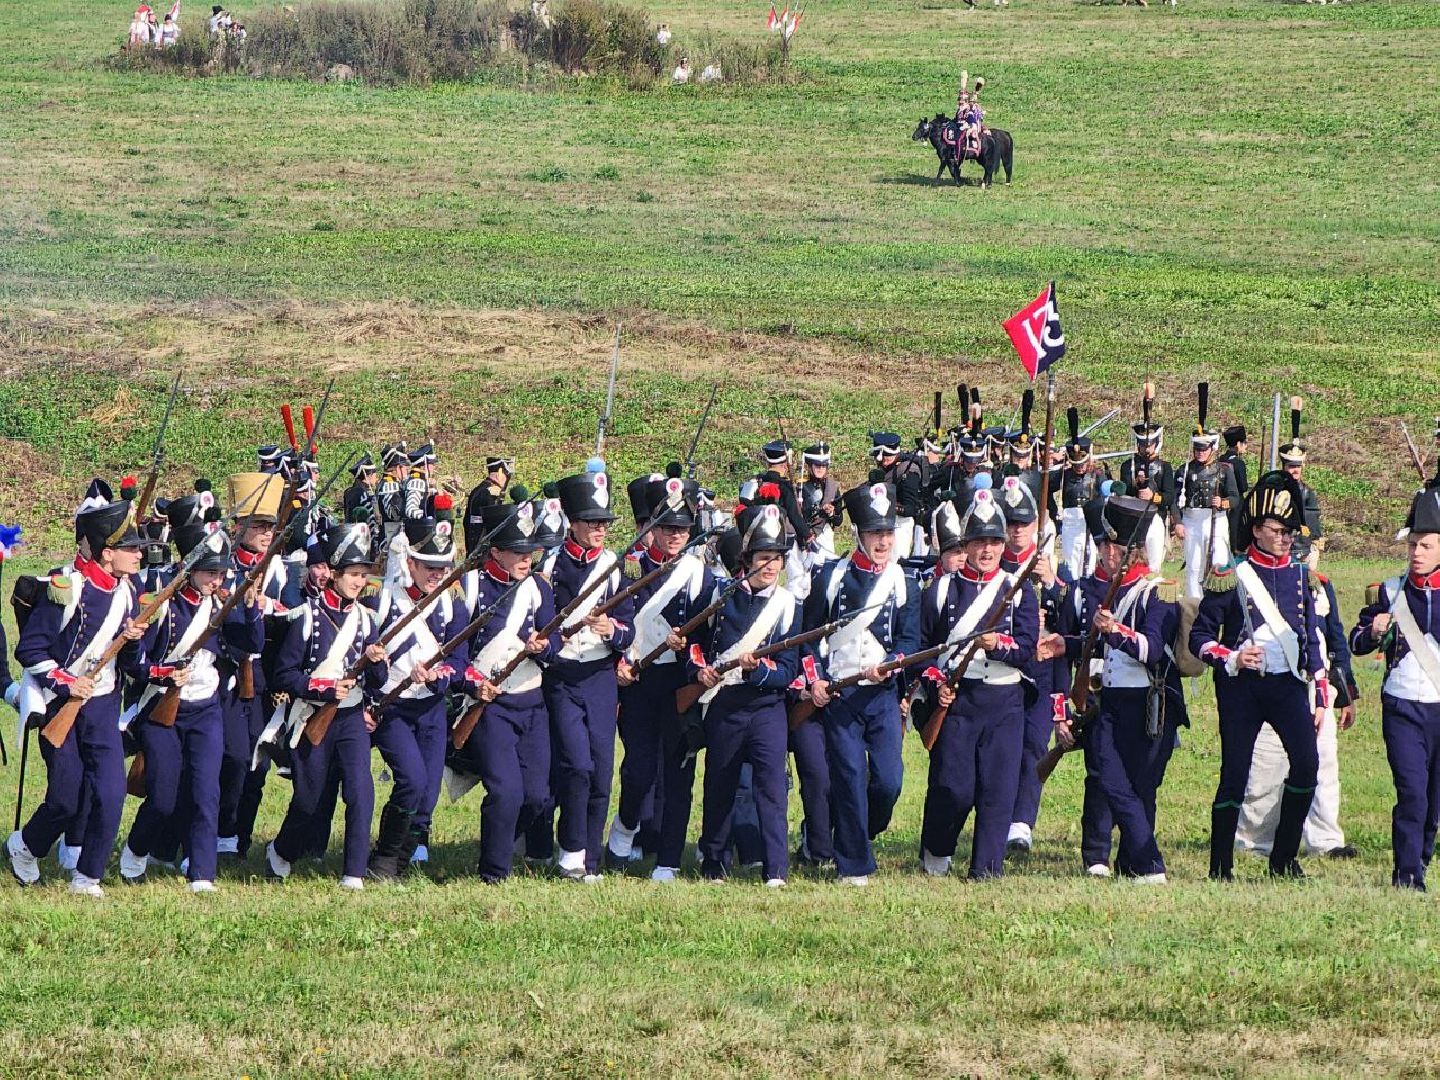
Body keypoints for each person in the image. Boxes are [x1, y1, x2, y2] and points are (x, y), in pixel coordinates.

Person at [8, 480, 147, 896]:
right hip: (59, 703)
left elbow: (131, 666)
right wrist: (68, 683)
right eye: (131, 547)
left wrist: (132, 641)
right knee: (65, 799)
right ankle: (25, 846)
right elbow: (29, 650)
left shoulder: (129, 591)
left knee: (110, 793)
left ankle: (88, 876)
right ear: (107, 552)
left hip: (103, 703)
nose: (140, 553)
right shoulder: (67, 588)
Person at [120, 488, 263, 892]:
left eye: (220, 574)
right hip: (162, 709)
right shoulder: (161, 605)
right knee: (164, 796)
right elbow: (134, 663)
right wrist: (163, 674)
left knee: (206, 792)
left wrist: (251, 607)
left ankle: (202, 874)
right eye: (209, 573)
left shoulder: (220, 607)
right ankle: (136, 848)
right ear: (189, 568)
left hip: (206, 709)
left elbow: (250, 645)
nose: (217, 581)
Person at [1190, 470, 1330, 881]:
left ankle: (1283, 860)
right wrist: (1232, 657)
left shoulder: (1302, 575)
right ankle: (1220, 867)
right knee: (1234, 773)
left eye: (1290, 532)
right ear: (1257, 530)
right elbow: (1199, 637)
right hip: (1241, 689)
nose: (1286, 538)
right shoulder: (1230, 574)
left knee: (1306, 766)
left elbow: (1309, 640)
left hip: (1287, 684)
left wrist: (1321, 695)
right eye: (1278, 530)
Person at [1055, 495, 1186, 882]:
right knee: (1109, 779)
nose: (1106, 553)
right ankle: (1144, 862)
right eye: (1106, 546)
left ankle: (1139, 863)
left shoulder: (1157, 591)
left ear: (1132, 551)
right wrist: (1070, 644)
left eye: (1113, 547)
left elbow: (1149, 650)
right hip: (1111, 702)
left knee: (1141, 787)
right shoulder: (1113, 589)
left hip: (1148, 703)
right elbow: (1100, 649)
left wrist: (1114, 630)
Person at [800, 478, 921, 886]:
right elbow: (807, 637)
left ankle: (856, 833)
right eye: (875, 533)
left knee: (888, 781)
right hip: (840, 695)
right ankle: (853, 863)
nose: (882, 541)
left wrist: (889, 665)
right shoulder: (831, 577)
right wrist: (815, 681)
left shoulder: (904, 582)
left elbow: (910, 639)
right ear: (858, 534)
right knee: (849, 776)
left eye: (887, 532)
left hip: (883, 695)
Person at [916, 480, 1038, 879]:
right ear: (965, 545)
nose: (987, 550)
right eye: (979, 541)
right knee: (953, 787)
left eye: (994, 542)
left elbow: (1026, 651)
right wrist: (938, 683)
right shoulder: (942, 590)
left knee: (998, 791)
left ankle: (986, 867)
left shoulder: (1018, 591)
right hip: (960, 698)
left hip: (1004, 699)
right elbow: (925, 650)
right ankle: (936, 852)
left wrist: (997, 644)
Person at [266, 523, 388, 889]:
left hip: (351, 716)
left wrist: (377, 661)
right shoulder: (307, 617)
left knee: (361, 793)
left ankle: (353, 874)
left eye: (363, 574)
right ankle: (282, 850)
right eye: (352, 574)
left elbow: (378, 682)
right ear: (332, 574)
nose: (358, 581)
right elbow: (283, 675)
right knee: (310, 800)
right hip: (313, 716)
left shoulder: (368, 620)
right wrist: (323, 686)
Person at [607, 475, 714, 880]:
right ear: (652, 527)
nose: (675, 536)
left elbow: (706, 637)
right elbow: (614, 623)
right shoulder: (629, 570)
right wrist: (620, 659)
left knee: (679, 772)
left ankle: (668, 859)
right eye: (667, 527)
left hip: (679, 685)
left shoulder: (698, 574)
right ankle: (625, 827)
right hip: (638, 682)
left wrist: (688, 653)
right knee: (639, 769)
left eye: (682, 529)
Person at [688, 499, 800, 886]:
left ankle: (776, 869)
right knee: (720, 784)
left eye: (776, 558)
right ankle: (714, 863)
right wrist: (698, 670)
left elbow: (788, 669)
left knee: (771, 788)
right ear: (747, 559)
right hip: (724, 703)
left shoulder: (788, 605)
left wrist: (759, 672)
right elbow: (696, 644)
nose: (770, 566)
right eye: (763, 557)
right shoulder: (721, 598)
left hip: (767, 707)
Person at [452, 497, 560, 884]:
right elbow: (454, 654)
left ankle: (497, 844)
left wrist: (543, 647)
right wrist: (471, 685)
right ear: (494, 551)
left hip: (532, 702)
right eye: (517, 551)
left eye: (530, 551)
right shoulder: (469, 586)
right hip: (490, 705)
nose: (525, 558)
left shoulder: (539, 589)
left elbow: (556, 642)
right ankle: (494, 871)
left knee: (537, 796)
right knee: (506, 793)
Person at [535, 468, 635, 881]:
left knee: (600, 767)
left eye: (604, 523)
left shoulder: (613, 567)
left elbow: (627, 627)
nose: (600, 529)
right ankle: (570, 847)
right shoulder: (551, 567)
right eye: (592, 522)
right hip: (562, 674)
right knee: (575, 764)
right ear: (573, 524)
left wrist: (613, 631)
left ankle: (589, 856)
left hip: (599, 675)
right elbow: (539, 622)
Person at [363, 498, 467, 881]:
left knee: (427, 796)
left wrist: (443, 673)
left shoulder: (452, 604)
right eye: (429, 567)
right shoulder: (383, 600)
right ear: (410, 563)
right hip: (393, 705)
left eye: (442, 568)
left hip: (432, 708)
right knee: (411, 780)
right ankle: (385, 859)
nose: (437, 575)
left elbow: (460, 658)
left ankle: (401, 862)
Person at [1349, 488, 1440, 890]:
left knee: (1434, 802)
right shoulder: (1388, 591)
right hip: (1403, 707)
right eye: (1413, 545)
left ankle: (1421, 855)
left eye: (1426, 545)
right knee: (1412, 794)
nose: (1416, 552)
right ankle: (1407, 873)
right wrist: (1372, 630)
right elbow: (1354, 643)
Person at [1237, 566, 1358, 861]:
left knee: (1325, 764)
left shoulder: (1319, 584)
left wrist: (1346, 690)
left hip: (1316, 684)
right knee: (1266, 765)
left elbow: (1333, 637)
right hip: (1274, 681)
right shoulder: (1249, 579)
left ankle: (1325, 839)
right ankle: (1255, 841)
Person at [215, 470, 288, 860]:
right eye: (258, 524)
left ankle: (239, 841)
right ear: (238, 525)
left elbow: (294, 610)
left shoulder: (277, 569)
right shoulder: (223, 566)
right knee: (231, 761)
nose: (265, 532)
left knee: (256, 766)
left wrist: (273, 609)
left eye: (269, 525)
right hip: (227, 672)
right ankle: (219, 833)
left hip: (263, 676)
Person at [997, 473, 1070, 853]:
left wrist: (1054, 584)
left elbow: (1074, 619)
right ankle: (999, 814)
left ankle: (1022, 820)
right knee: (1002, 749)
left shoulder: (1051, 567)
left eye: (1024, 523)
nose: (1017, 530)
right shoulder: (994, 563)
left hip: (1043, 666)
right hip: (1006, 665)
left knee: (1034, 744)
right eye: (1011, 523)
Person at [1174, 384, 1239, 600]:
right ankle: (1194, 602)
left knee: (1219, 562)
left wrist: (1223, 503)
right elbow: (1176, 499)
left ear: (1213, 448)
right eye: (1197, 448)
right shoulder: (1185, 469)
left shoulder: (1224, 470)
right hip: (1192, 519)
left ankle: (1218, 601)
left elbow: (1236, 498)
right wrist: (1178, 522)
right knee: (1193, 565)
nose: (1200, 453)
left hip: (1216, 518)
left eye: (1204, 448)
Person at [1118, 385, 1176, 572]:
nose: (1146, 448)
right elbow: (1125, 494)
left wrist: (1153, 497)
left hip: (1155, 517)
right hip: (1134, 519)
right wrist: (1135, 488)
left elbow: (1169, 497)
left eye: (1149, 444)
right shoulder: (1128, 466)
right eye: (1142, 444)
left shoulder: (1165, 467)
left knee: (1154, 565)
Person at [1058, 408, 1109, 581]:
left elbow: (1106, 495)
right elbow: (1044, 488)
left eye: (1082, 463)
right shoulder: (1064, 475)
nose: (1079, 467)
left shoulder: (1098, 474)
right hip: (1071, 521)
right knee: (1071, 560)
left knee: (1089, 561)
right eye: (1076, 463)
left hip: (1090, 520)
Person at [1278, 399, 1324, 570]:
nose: (1294, 470)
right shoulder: (1275, 490)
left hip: (1303, 547)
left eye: (1297, 466)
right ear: (1284, 467)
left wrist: (1313, 544)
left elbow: (1312, 522)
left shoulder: (1307, 492)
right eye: (1291, 466)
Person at [799, 442, 843, 562]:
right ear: (809, 466)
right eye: (817, 466)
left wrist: (831, 513)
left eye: (823, 466)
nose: (821, 469)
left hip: (825, 535)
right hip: (806, 537)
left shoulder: (832, 487)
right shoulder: (800, 488)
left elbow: (838, 521)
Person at [464, 453, 512, 552]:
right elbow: (494, 522)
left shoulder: (479, 488)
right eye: (505, 474)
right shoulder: (491, 492)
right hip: (483, 543)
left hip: (474, 539)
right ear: (499, 472)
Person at [343, 453, 377, 525]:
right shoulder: (362, 492)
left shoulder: (349, 491)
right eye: (375, 475)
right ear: (369, 476)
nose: (376, 479)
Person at [1220, 425, 1250, 499]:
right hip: (1236, 504)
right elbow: (1243, 487)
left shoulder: (1220, 459)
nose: (1246, 446)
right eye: (1245, 443)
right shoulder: (1238, 463)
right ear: (1238, 444)